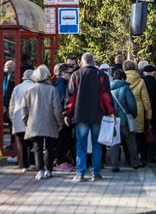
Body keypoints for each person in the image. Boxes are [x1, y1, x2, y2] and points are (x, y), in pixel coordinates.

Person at [64, 53, 114, 182]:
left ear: (82, 62)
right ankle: (95, 173)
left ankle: (80, 173)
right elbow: (106, 97)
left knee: (81, 144)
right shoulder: (102, 76)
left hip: (80, 115)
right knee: (97, 143)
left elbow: (71, 97)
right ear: (93, 61)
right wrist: (110, 112)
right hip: (98, 114)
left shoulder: (76, 75)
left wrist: (67, 113)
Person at [22, 65, 63, 180]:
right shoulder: (52, 90)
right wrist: (59, 122)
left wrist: (26, 121)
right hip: (50, 121)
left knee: (37, 147)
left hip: (34, 122)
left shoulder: (29, 90)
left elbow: (24, 108)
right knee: (50, 147)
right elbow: (57, 108)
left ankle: (39, 170)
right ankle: (48, 170)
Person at [110, 70, 142, 172]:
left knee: (114, 143)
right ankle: (135, 163)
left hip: (113, 119)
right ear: (123, 78)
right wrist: (133, 115)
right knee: (131, 142)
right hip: (125, 120)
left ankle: (114, 165)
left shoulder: (108, 89)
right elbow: (132, 104)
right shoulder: (125, 88)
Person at [123, 60, 152, 165]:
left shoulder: (121, 79)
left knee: (127, 136)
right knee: (140, 137)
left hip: (125, 110)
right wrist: (149, 114)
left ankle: (127, 158)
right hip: (138, 111)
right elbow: (145, 100)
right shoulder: (140, 81)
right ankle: (142, 158)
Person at [9, 69, 35, 171]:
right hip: (32, 119)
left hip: (18, 118)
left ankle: (24, 165)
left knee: (22, 143)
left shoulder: (17, 88)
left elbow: (12, 105)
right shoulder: (34, 87)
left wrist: (12, 118)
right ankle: (33, 162)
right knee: (33, 143)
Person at [53, 63, 75, 172]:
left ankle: (61, 160)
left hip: (61, 117)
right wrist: (64, 116)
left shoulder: (61, 83)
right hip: (62, 118)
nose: (71, 75)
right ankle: (60, 161)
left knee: (63, 139)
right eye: (69, 73)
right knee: (62, 140)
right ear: (62, 73)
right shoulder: (61, 85)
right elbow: (61, 102)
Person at [142, 65, 156, 163]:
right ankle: (151, 156)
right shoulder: (155, 83)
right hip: (153, 111)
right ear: (153, 72)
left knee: (143, 134)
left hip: (142, 112)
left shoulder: (141, 81)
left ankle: (143, 155)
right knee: (153, 134)